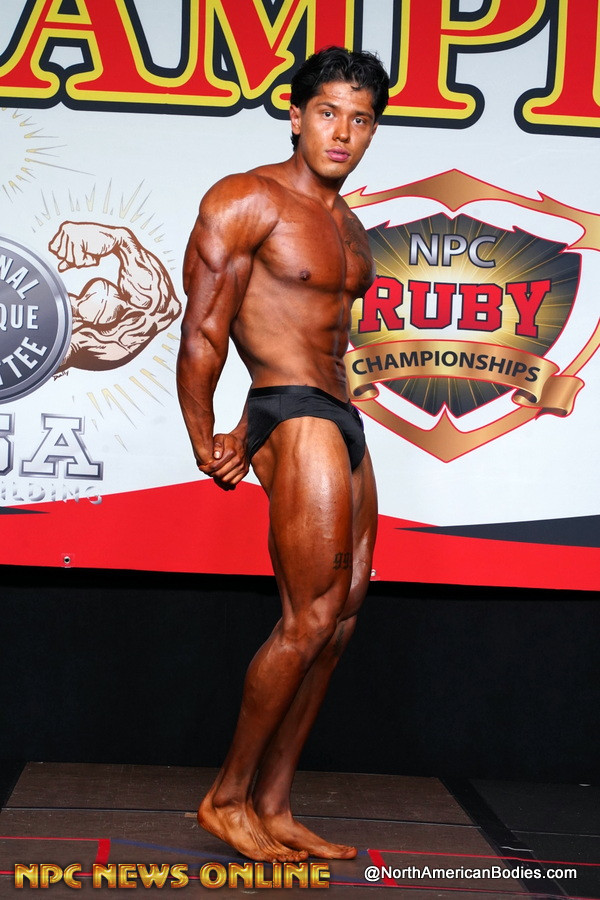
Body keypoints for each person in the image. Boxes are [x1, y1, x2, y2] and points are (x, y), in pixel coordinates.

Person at [177, 46, 389, 863]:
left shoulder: (350, 226)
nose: (343, 132)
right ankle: (226, 799)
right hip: (290, 410)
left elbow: (321, 332)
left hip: (339, 412)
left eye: (360, 119)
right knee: (309, 617)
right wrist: (207, 435)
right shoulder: (247, 199)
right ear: (295, 115)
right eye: (328, 112)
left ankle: (274, 801)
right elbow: (205, 327)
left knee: (342, 618)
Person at [48, 221, 180, 371]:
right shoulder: (70, 342)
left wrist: (120, 239)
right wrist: (122, 241)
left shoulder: (77, 339)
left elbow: (162, 310)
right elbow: (161, 311)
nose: (72, 301)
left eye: (77, 301)